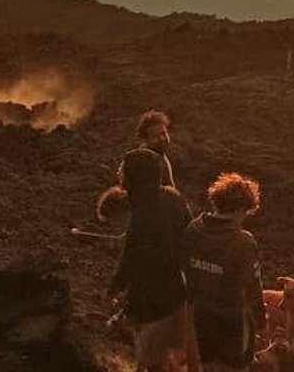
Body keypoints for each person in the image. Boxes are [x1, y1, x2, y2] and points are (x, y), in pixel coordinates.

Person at [109, 171, 200, 372]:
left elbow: (131, 261)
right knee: (174, 355)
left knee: (154, 361)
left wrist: (116, 288)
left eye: (124, 169)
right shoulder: (172, 197)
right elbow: (190, 233)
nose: (119, 173)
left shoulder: (142, 213)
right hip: (178, 292)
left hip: (152, 302)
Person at [184, 172, 267, 371]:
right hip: (231, 324)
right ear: (240, 209)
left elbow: (183, 272)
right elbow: (253, 288)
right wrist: (261, 320)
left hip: (197, 319)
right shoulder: (243, 242)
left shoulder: (193, 230)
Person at [120, 110, 180, 195]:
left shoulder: (160, 156)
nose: (162, 138)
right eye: (156, 136)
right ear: (146, 139)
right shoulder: (138, 162)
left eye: (163, 133)